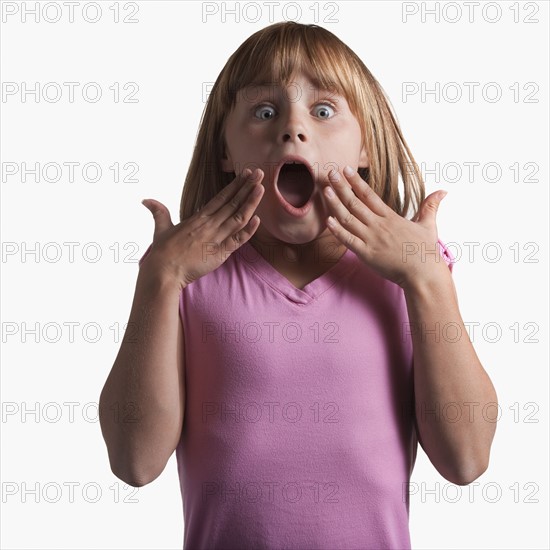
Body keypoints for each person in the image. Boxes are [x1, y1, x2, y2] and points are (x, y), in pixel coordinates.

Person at [99, 22, 498, 550]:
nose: (292, 129)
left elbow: (466, 461)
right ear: (225, 151)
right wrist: (159, 280)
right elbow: (134, 461)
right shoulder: (184, 281)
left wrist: (429, 280)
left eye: (324, 110)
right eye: (264, 112)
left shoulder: (409, 276)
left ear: (365, 148)